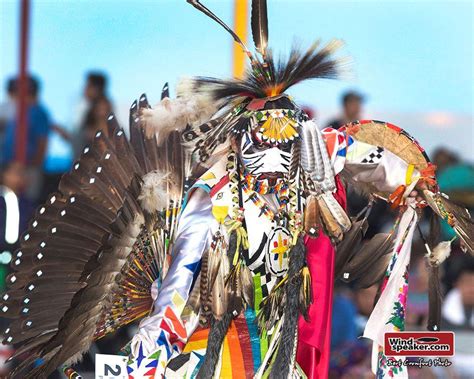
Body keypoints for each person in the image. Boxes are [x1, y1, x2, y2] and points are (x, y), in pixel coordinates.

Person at [2, 2, 473, 379]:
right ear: (239, 145)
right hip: (209, 339)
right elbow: (174, 294)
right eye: (260, 147)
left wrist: (417, 186)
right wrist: (145, 356)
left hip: (275, 340)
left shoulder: (311, 153)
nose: (271, 160)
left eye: (284, 145)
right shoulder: (214, 200)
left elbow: (365, 157)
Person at [0, 76, 51, 201]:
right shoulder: (18, 110)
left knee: (26, 204)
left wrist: (31, 166)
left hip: (28, 169)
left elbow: (42, 142)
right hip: (11, 168)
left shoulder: (39, 113)